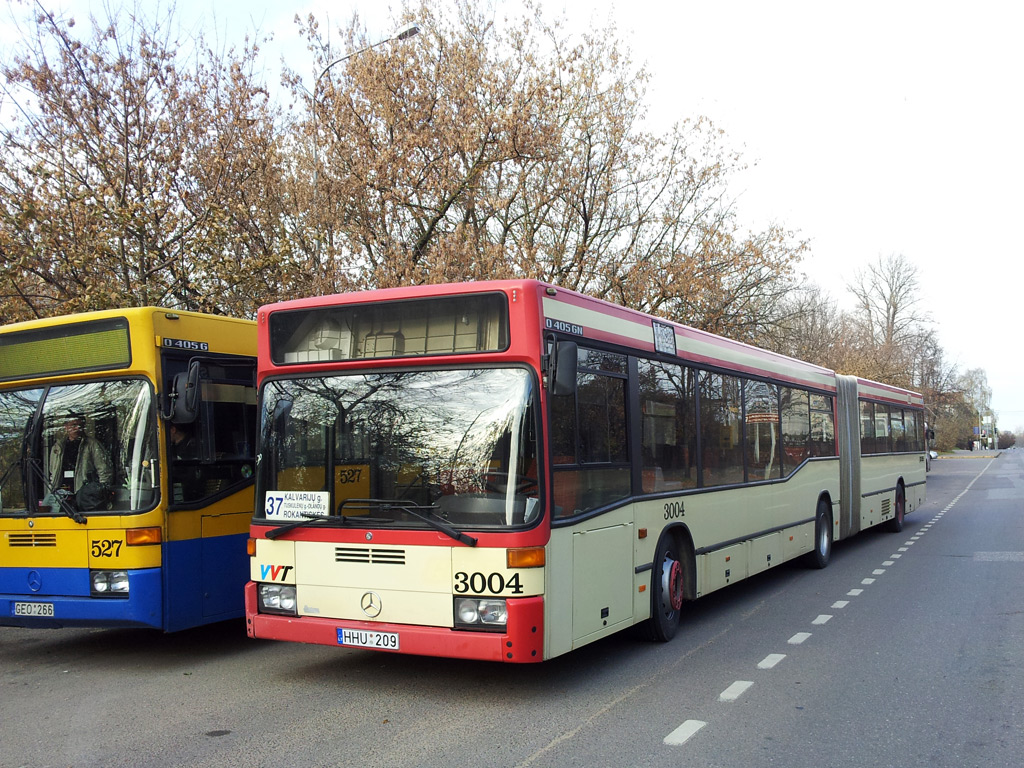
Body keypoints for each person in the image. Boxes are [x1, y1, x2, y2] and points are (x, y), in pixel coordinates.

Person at [46, 413, 113, 497]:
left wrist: (100, 492)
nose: (77, 428)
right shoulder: (58, 447)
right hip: (61, 494)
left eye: (80, 425)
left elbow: (104, 471)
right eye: (74, 425)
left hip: (85, 495)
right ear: (66, 426)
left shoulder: (92, 444)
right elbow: (53, 473)